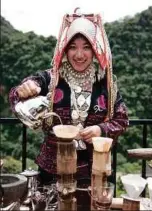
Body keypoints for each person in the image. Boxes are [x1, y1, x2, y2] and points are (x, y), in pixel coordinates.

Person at [9, 9, 129, 185]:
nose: (79, 55)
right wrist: (24, 89)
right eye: (73, 47)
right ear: (65, 49)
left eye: (86, 47)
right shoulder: (51, 78)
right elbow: (18, 95)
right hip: (52, 170)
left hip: (94, 170)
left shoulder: (106, 83)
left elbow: (122, 120)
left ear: (95, 50)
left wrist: (100, 129)